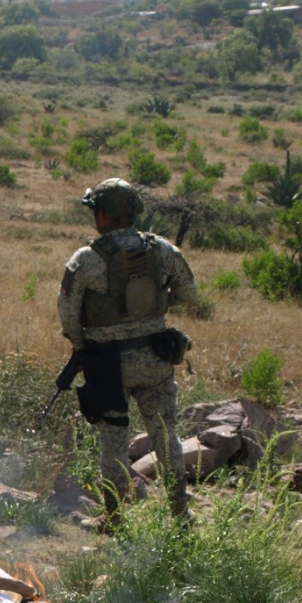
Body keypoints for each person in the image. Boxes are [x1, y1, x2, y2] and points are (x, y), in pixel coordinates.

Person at [56, 178, 198, 529]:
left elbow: (68, 314)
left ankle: (116, 519)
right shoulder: (163, 250)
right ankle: (180, 514)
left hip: (108, 366)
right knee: (166, 435)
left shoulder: (86, 260)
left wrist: (80, 344)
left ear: (103, 215)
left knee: (114, 442)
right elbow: (189, 293)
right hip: (156, 359)